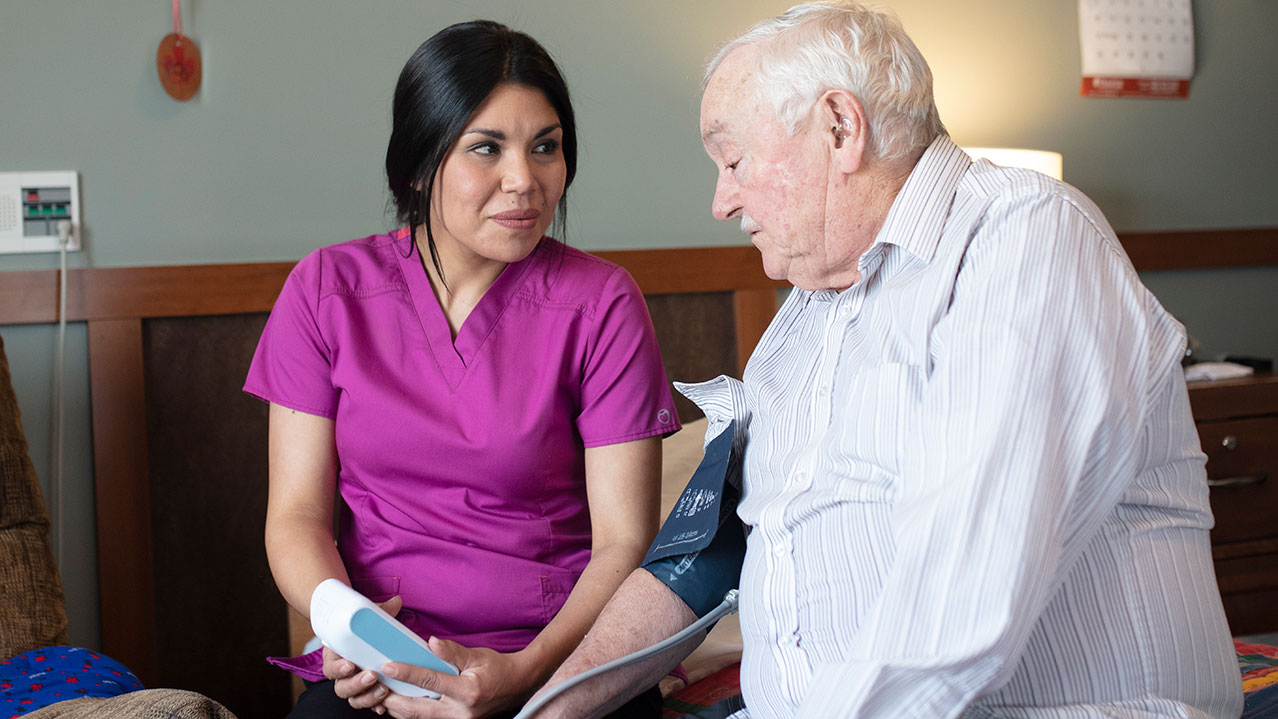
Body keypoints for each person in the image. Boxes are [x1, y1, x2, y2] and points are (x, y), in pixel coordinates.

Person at [527, 2, 1245, 718]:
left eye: (734, 160)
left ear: (841, 128)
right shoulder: (804, 318)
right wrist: (555, 704)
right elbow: (706, 548)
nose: (722, 200)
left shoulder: (1023, 241)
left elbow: (957, 609)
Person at [243, 20, 680, 719]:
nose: (525, 181)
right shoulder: (326, 290)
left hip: (564, 662)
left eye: (546, 147)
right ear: (420, 164)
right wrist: (349, 625)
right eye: (487, 148)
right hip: (387, 660)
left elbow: (623, 543)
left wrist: (524, 673)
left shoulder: (601, 304)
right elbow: (295, 517)